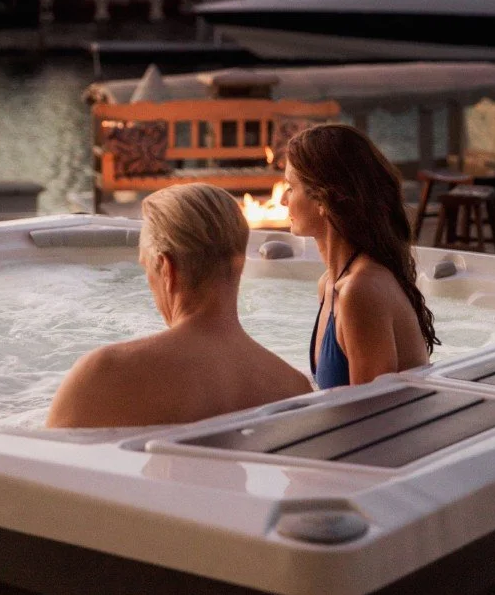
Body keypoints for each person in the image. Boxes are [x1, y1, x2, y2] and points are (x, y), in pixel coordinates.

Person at [46, 183, 311, 428]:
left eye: (146, 266)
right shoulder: (294, 389)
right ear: (238, 263)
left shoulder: (104, 375)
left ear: (167, 269)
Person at [281, 124, 436, 389]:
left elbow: (370, 416)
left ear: (322, 200)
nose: (283, 201)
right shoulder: (330, 284)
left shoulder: (360, 291)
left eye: (290, 188)